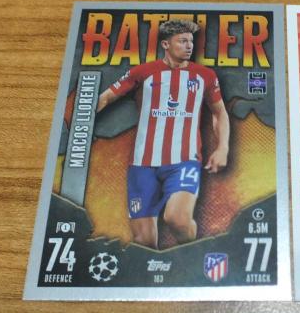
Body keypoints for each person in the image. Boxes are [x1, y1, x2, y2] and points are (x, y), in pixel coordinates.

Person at [96, 19, 230, 249]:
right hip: (142, 164)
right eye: (182, 41)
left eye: (191, 41)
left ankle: (190, 256)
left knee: (177, 219)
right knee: (143, 242)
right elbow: (106, 98)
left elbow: (219, 113)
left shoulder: (205, 75)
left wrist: (223, 148)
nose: (189, 46)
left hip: (184, 160)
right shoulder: (143, 72)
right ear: (166, 44)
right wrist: (80, 121)